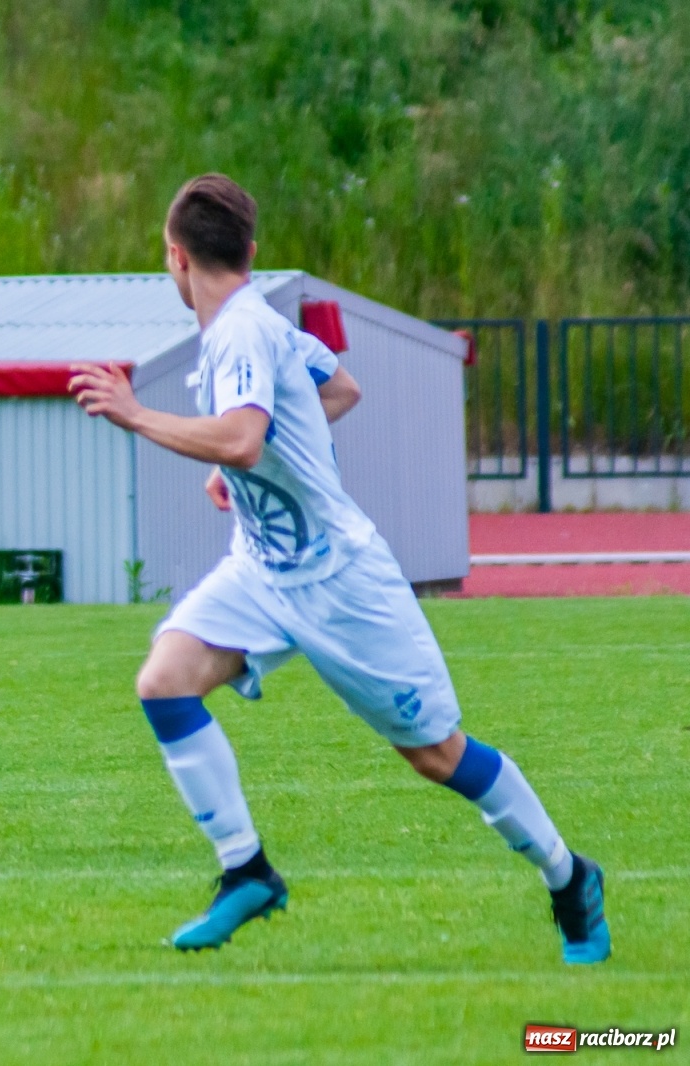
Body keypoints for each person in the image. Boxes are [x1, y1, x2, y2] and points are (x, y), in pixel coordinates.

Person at [68, 174, 609, 963]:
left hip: (342, 583)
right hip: (261, 570)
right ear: (249, 253)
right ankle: (246, 872)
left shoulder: (241, 334)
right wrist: (250, 463)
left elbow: (245, 436)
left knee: (435, 755)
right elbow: (340, 390)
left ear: (174, 257)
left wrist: (142, 414)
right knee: (165, 679)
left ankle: (569, 877)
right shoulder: (264, 323)